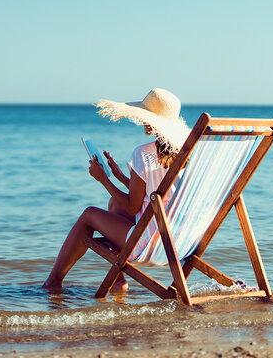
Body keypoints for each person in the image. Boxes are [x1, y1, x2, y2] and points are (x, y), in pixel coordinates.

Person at [43, 88, 190, 293]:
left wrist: (103, 179)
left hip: (150, 247)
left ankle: (52, 283)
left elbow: (132, 207)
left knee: (89, 214)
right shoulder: (185, 154)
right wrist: (121, 177)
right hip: (180, 242)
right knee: (114, 205)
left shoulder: (144, 153)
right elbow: (159, 193)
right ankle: (119, 279)